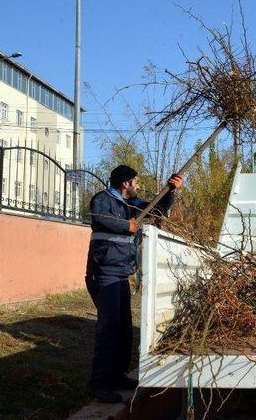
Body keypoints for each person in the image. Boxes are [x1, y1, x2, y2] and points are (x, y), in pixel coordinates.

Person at [85, 165, 183, 403]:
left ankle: (117, 376)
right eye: (136, 181)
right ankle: (99, 385)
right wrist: (125, 225)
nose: (138, 185)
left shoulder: (130, 203)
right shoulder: (103, 199)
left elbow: (157, 210)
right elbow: (100, 218)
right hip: (103, 273)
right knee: (108, 331)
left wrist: (170, 191)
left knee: (124, 331)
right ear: (126, 183)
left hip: (120, 275)